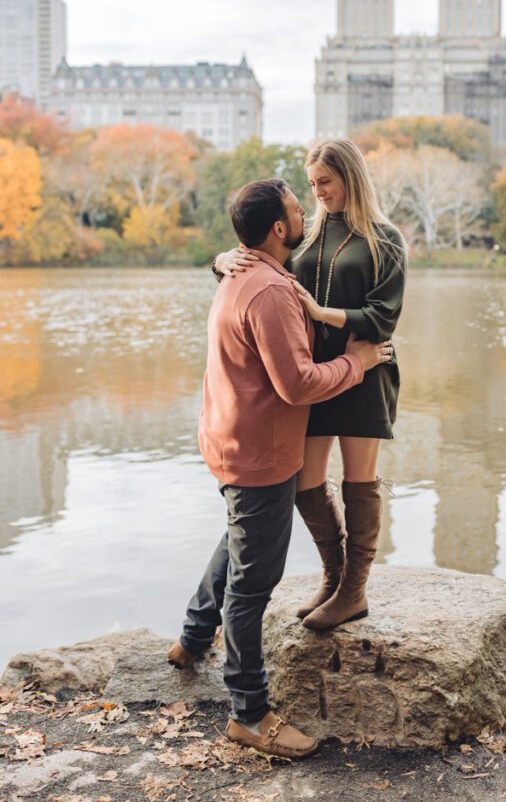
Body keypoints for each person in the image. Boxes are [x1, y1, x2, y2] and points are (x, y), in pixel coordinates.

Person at [168, 178, 391, 760]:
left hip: (228, 440)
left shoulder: (241, 272)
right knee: (252, 586)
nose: (307, 213)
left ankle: (193, 638)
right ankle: (250, 713)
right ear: (277, 229)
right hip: (261, 454)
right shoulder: (268, 291)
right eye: (298, 209)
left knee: (239, 536)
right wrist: (357, 361)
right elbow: (296, 385)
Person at [213, 139, 407, 632]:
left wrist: (323, 314)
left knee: (359, 482)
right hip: (317, 375)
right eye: (313, 184)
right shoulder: (309, 236)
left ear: (351, 177)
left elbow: (384, 318)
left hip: (365, 370)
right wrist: (222, 260)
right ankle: (334, 576)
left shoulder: (385, 239)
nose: (318, 192)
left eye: (326, 182)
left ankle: (354, 593)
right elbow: (260, 256)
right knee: (306, 482)